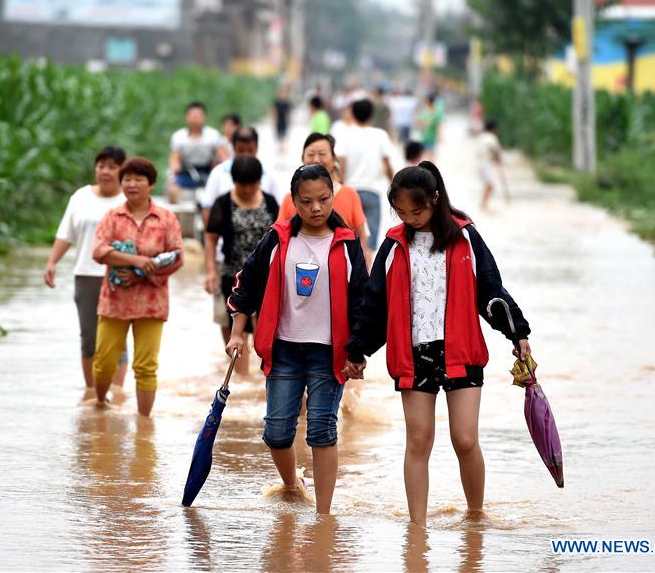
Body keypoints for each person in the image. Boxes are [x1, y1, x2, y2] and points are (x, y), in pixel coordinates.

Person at [343, 161, 531, 527]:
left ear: (435, 199)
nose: (409, 218)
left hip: (461, 351)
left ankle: (476, 517)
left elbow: (491, 292)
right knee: (419, 441)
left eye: (417, 210)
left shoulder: (465, 238)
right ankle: (417, 530)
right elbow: (374, 303)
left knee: (464, 439)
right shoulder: (394, 244)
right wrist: (358, 349)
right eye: (401, 212)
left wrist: (517, 333)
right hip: (414, 356)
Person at [226, 163, 369, 515]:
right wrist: (236, 334)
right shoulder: (277, 238)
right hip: (284, 347)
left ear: (333, 196)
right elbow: (249, 284)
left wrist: (358, 351)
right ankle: (292, 484)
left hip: (329, 352)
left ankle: (324, 515)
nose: (316, 209)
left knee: (322, 430)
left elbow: (362, 300)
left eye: (323, 199)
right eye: (306, 202)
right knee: (276, 432)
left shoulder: (347, 243)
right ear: (294, 201)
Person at [91, 157, 184, 416]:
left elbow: (177, 257)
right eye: (127, 179)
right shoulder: (112, 217)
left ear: (151, 184)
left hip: (151, 302)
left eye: (138, 179)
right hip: (114, 301)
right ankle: (100, 403)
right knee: (104, 362)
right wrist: (137, 261)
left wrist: (141, 275)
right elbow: (98, 251)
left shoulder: (166, 218)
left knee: (145, 366)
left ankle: (145, 424)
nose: (132, 184)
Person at [44, 145, 129, 400]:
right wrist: (52, 262)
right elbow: (65, 234)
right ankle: (93, 395)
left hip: (119, 277)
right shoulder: (80, 197)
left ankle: (117, 394)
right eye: (101, 165)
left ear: (122, 171)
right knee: (89, 336)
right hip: (85, 275)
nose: (105, 171)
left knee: (116, 337)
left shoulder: (128, 199)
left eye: (112, 167)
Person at [204, 157, 279, 376]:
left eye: (251, 184)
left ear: (259, 181)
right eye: (241, 184)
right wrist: (211, 272)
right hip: (233, 277)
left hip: (266, 279)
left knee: (266, 334)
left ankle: (262, 383)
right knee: (237, 333)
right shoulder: (223, 203)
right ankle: (242, 381)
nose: (246, 189)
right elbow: (210, 239)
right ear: (234, 181)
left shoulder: (271, 202)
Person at [276, 133, 371, 265]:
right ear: (302, 158)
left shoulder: (350, 194)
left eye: (322, 154)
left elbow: (362, 239)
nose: (316, 159)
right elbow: (280, 239)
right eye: (310, 154)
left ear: (333, 159)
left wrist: (363, 270)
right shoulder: (289, 199)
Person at [336, 98, 395, 250]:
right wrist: (394, 185)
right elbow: (387, 164)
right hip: (372, 191)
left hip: (349, 192)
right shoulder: (380, 135)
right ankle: (367, 271)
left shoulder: (344, 135)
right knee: (369, 242)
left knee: (349, 238)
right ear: (371, 115)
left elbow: (341, 163)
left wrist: (340, 186)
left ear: (353, 114)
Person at [168, 101, 228, 204]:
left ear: (204, 117)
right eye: (192, 115)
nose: (195, 118)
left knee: (224, 186)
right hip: (186, 171)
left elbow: (223, 156)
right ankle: (176, 215)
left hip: (208, 170)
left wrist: (225, 169)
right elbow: (175, 158)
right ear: (186, 117)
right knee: (172, 187)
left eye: (198, 115)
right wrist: (175, 170)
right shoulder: (178, 137)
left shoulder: (213, 135)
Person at [477, 119, 508, 211]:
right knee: (490, 185)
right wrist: (499, 159)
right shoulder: (492, 138)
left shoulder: (481, 136)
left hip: (479, 164)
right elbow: (496, 151)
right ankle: (483, 204)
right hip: (486, 164)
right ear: (494, 129)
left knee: (488, 184)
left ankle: (483, 203)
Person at [417, 94, 444, 162]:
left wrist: (440, 136)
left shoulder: (435, 112)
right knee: (425, 155)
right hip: (425, 136)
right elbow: (420, 122)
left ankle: (430, 171)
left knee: (431, 156)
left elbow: (439, 125)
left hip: (431, 136)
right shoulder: (426, 111)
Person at [273, 86, 291, 153]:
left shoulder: (287, 103)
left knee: (284, 133)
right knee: (278, 133)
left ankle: (283, 147)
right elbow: (274, 111)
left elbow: (288, 112)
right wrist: (274, 120)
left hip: (284, 120)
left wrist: (289, 120)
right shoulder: (276, 102)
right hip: (278, 120)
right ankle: (279, 147)